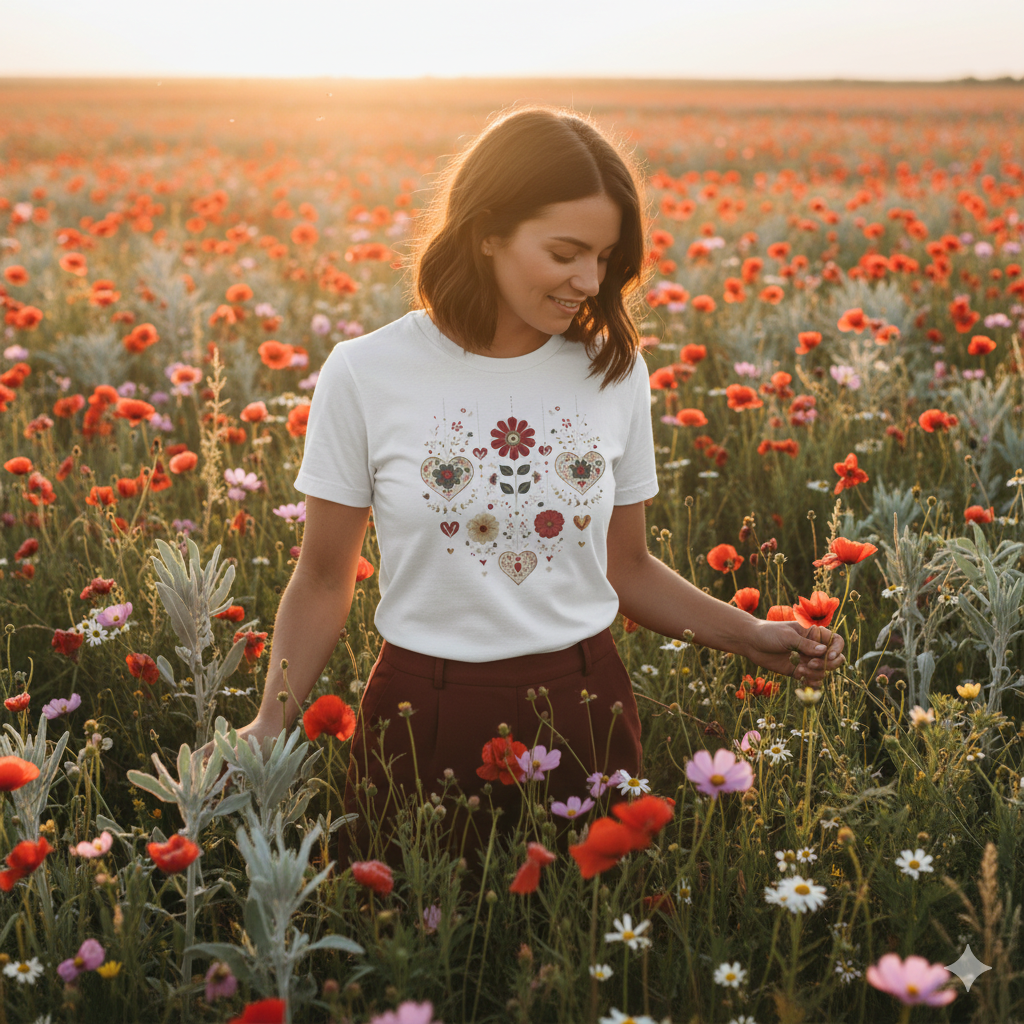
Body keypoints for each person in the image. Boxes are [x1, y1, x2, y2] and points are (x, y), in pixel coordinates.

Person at [221, 106, 845, 866]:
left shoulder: (611, 370)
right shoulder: (365, 373)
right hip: (424, 714)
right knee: (422, 954)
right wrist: (269, 721)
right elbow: (322, 577)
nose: (589, 281)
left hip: (584, 708)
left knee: (583, 953)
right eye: (565, 252)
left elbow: (628, 568)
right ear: (486, 232)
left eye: (607, 258)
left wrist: (752, 637)